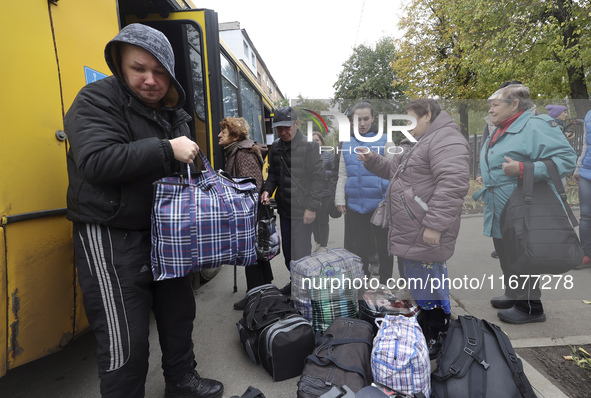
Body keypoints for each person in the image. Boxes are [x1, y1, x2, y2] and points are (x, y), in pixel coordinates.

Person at [65, 24, 223, 398]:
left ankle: (182, 381)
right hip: (110, 233)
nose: (150, 80)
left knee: (179, 313)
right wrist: (167, 149)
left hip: (165, 233)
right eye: (140, 69)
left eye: (160, 72)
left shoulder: (175, 114)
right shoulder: (96, 99)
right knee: (126, 335)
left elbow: (190, 170)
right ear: (120, 64)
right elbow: (97, 161)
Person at [359, 99, 470, 358]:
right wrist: (372, 159)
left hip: (423, 226)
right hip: (411, 226)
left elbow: (453, 184)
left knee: (429, 282)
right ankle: (428, 325)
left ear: (427, 115)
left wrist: (435, 225)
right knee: (417, 281)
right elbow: (394, 171)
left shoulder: (445, 140)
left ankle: (439, 333)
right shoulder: (417, 143)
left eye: (410, 119)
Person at [473, 84, 576, 324]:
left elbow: (566, 159)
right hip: (500, 202)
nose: (491, 108)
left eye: (495, 103)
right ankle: (514, 293)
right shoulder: (502, 126)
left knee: (521, 252)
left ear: (514, 104)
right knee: (505, 250)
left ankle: (531, 307)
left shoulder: (535, 125)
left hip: (522, 202)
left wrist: (523, 169)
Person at [261, 106, 324, 295]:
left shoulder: (310, 146)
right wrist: (267, 190)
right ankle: (295, 281)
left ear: (296, 124)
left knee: (301, 252)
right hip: (285, 209)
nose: (283, 132)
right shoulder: (276, 148)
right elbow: (273, 174)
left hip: (304, 211)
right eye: (279, 128)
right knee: (288, 252)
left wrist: (312, 207)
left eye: (287, 127)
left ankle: (305, 289)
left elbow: (318, 178)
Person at [217, 117, 274, 309]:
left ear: (234, 135)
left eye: (223, 132)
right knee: (256, 253)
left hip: (250, 211)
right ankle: (265, 289)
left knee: (252, 255)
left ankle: (256, 296)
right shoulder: (236, 150)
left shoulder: (242, 153)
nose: (219, 135)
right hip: (248, 210)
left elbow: (253, 184)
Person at [335, 101, 394, 284]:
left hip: (380, 205)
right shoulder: (345, 143)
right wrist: (339, 199)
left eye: (366, 118)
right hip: (355, 205)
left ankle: (384, 285)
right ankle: (364, 288)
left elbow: (394, 171)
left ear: (372, 118)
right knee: (359, 249)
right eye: (358, 119)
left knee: (384, 250)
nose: (362, 123)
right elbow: (342, 174)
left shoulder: (386, 140)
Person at [573, 109, 591, 269]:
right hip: (587, 171)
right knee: (586, 215)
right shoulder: (589, 115)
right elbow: (586, 144)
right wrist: (578, 168)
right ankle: (586, 254)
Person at [311, 131, 334, 253]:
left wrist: (323, 173)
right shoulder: (306, 155)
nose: (315, 142)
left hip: (325, 193)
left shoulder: (328, 155)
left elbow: (334, 172)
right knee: (313, 219)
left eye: (317, 140)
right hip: (310, 193)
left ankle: (324, 246)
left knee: (323, 220)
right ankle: (318, 242)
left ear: (321, 142)